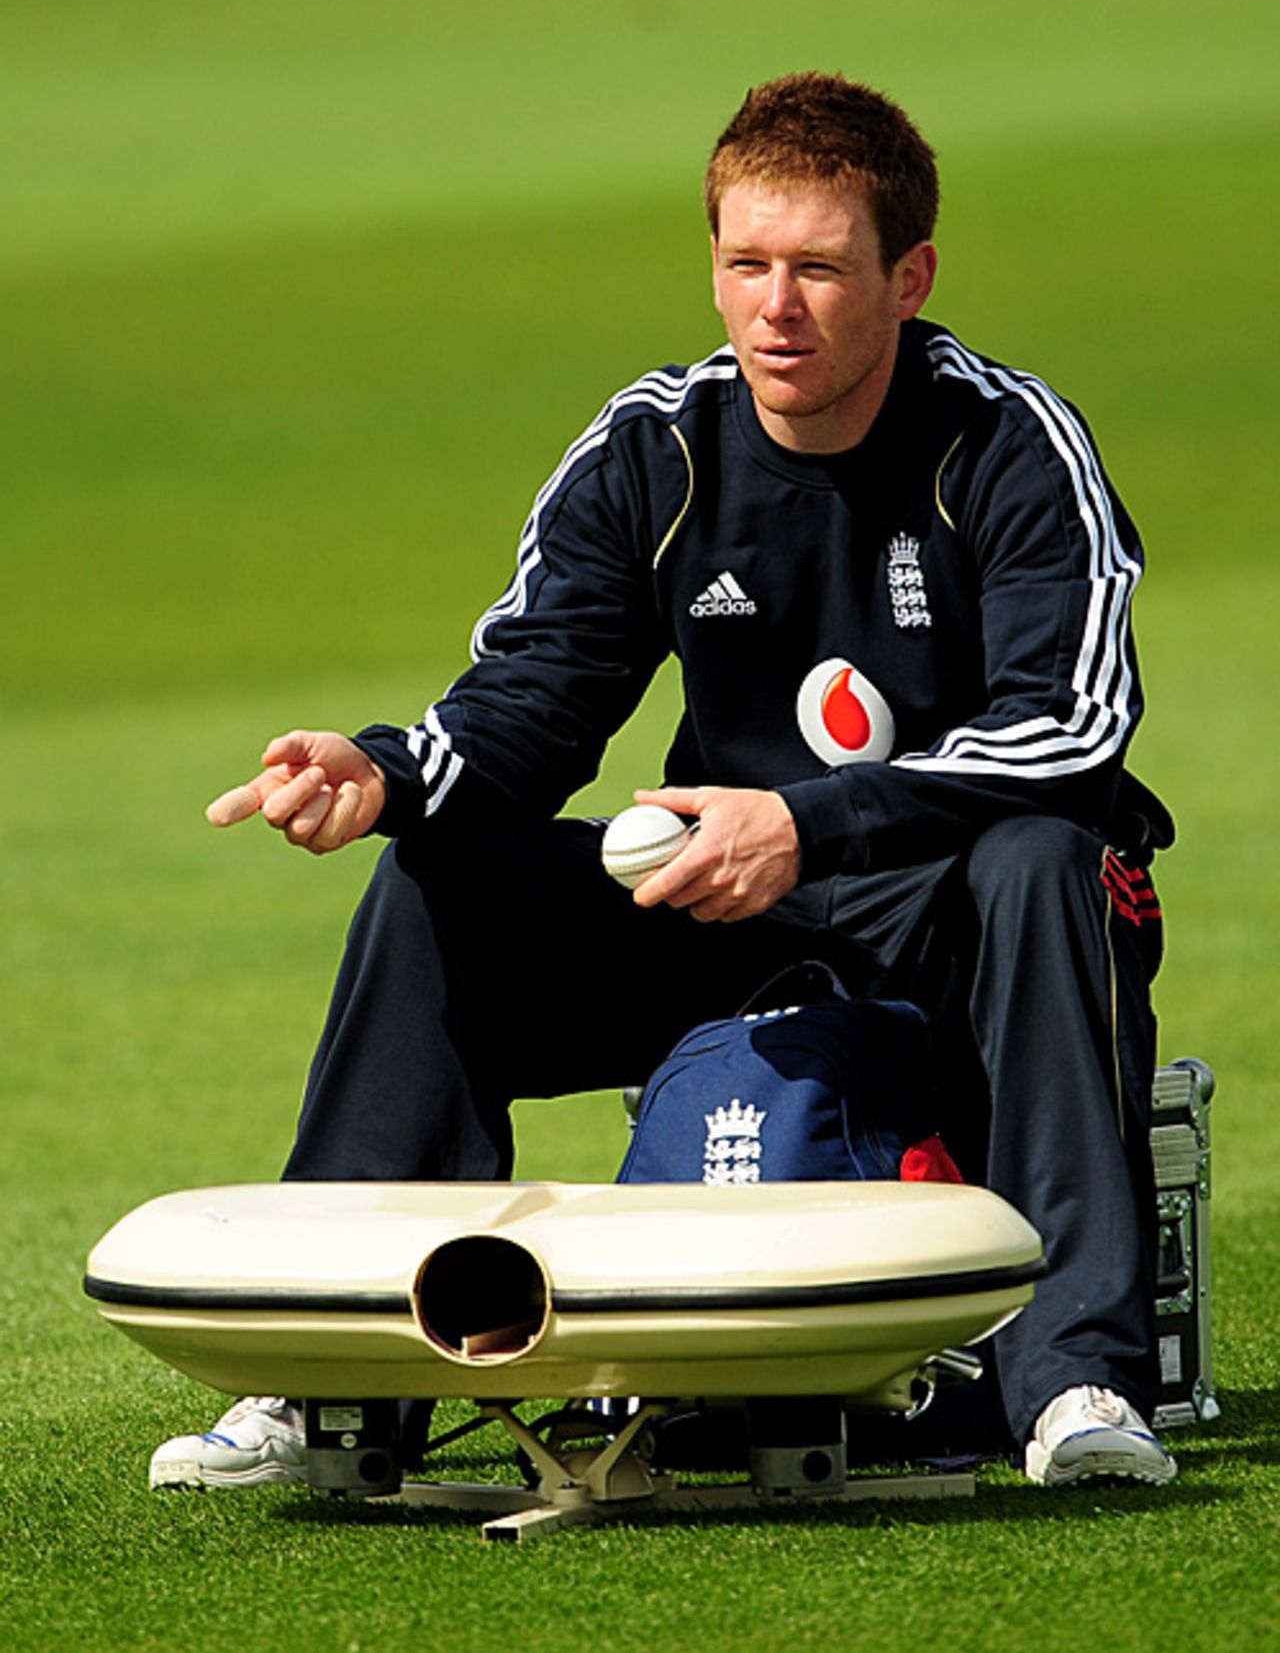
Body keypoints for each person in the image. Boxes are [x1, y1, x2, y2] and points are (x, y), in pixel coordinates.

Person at [150, 72, 1177, 1494]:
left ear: (911, 274)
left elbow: (1070, 730)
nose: (777, 307)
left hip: (959, 920)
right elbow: (533, 703)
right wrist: (382, 774)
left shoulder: (1009, 445)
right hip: (724, 912)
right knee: (440, 882)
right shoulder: (658, 446)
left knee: (1048, 857)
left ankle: (1074, 1383)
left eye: (820, 267)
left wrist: (807, 827)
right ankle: (331, 1386)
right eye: (747, 264)